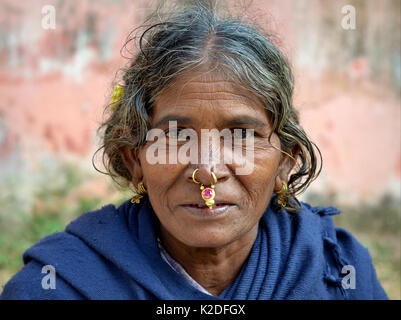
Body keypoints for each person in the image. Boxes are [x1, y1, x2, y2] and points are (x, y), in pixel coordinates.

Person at [0, 2, 388, 300]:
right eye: (174, 136)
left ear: (285, 161)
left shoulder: (338, 273)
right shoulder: (57, 286)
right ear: (133, 158)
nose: (207, 170)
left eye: (240, 135)